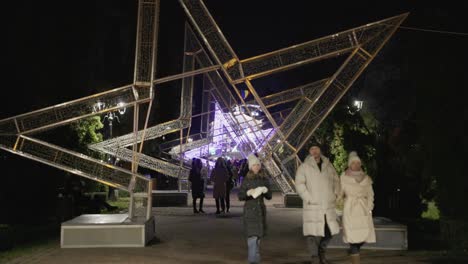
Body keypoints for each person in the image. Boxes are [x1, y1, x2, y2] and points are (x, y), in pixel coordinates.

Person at [295, 141, 341, 264]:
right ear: (309, 151)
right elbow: (299, 184)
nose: (314, 151)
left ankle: (322, 252)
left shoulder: (328, 165)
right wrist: (308, 198)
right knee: (312, 233)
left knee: (330, 231)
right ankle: (315, 257)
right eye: (312, 149)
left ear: (320, 150)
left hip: (327, 205)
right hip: (312, 205)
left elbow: (336, 181)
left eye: (316, 148)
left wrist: (335, 194)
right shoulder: (304, 167)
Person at [339, 152, 375, 264]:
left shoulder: (366, 178)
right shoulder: (343, 177)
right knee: (352, 238)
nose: (356, 165)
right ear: (350, 164)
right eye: (353, 162)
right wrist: (338, 206)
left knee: (365, 235)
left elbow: (370, 194)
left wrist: (369, 206)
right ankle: (355, 257)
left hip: (363, 209)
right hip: (350, 209)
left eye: (358, 162)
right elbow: (339, 194)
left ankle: (353, 251)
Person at [238, 154, 272, 264]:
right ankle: (252, 261)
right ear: (250, 167)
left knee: (257, 239)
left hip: (260, 212)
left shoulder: (264, 179)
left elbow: (269, 196)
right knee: (252, 238)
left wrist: (266, 190)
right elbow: (240, 195)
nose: (256, 167)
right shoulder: (247, 180)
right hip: (250, 212)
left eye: (258, 165)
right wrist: (249, 192)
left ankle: (256, 260)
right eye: (254, 165)